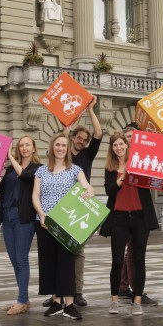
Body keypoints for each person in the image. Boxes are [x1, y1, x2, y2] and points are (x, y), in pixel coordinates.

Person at [32, 133, 95, 320]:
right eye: (57, 145)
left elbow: (87, 186)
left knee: (67, 263)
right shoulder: (41, 171)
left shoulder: (75, 170)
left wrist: (90, 191)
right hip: (44, 222)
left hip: (67, 222)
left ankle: (69, 304)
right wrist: (42, 214)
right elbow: (35, 196)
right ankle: (56, 302)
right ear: (52, 147)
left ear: (68, 149)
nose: (60, 148)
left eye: (64, 145)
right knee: (49, 262)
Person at [0, 135, 42, 315]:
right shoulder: (9, 170)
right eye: (21, 145)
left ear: (33, 148)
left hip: (24, 217)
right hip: (7, 216)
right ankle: (24, 299)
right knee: (14, 260)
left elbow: (24, 175)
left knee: (22, 259)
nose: (24, 148)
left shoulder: (38, 169)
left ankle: (22, 300)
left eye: (27, 145)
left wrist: (11, 158)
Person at [101, 132, 159, 316]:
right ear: (112, 149)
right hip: (118, 218)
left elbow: (153, 179)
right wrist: (122, 177)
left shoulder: (139, 163)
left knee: (139, 259)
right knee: (117, 261)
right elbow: (109, 190)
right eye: (115, 145)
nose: (119, 147)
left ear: (127, 145)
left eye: (121, 144)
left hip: (140, 217)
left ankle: (138, 301)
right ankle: (114, 301)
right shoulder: (110, 168)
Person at [60, 97, 102, 308]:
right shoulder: (63, 153)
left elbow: (99, 134)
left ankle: (77, 292)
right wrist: (65, 132)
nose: (82, 141)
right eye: (79, 138)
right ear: (73, 137)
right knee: (58, 250)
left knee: (78, 251)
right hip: (60, 204)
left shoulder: (88, 154)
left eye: (85, 139)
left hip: (80, 203)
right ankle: (57, 293)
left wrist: (90, 110)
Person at [117, 123, 158, 306]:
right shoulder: (117, 161)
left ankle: (128, 288)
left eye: (134, 138)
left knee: (133, 253)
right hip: (122, 213)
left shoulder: (144, 159)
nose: (130, 142)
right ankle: (133, 290)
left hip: (141, 213)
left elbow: (155, 182)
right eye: (127, 138)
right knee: (129, 253)